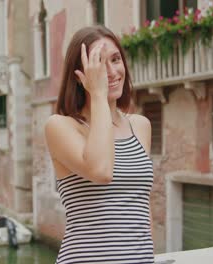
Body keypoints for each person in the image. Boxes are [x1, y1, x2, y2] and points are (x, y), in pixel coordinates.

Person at [44, 25, 155, 263]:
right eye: (99, 63)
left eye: (116, 59)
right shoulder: (61, 126)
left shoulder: (140, 126)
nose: (112, 71)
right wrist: (97, 95)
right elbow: (100, 171)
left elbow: (141, 206)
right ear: (79, 76)